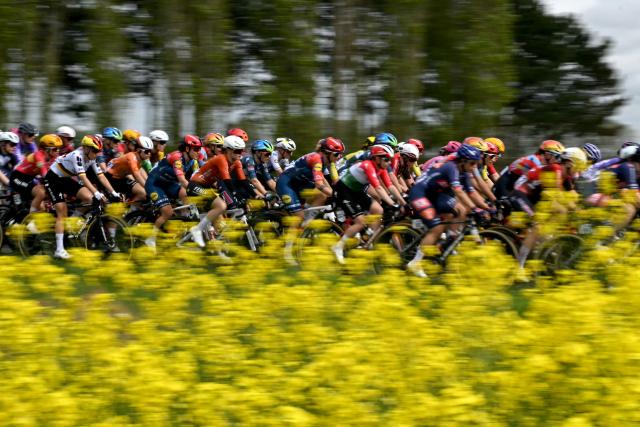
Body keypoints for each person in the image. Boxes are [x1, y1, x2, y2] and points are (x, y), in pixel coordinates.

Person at [405, 144, 489, 278]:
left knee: (460, 210)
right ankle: (415, 263)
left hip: (435, 195)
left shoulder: (464, 171)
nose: (474, 167)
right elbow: (459, 192)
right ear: (463, 161)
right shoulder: (451, 167)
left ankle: (449, 241)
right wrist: (475, 209)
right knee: (437, 228)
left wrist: (488, 207)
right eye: (472, 163)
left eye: (476, 164)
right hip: (420, 193)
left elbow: (472, 193)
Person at [43, 135, 122, 259]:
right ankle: (59, 250)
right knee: (61, 211)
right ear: (86, 148)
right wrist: (97, 192)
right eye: (95, 151)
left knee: (89, 198)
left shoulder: (92, 157)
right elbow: (83, 178)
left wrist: (113, 192)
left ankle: (71, 223)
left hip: (65, 179)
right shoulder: (77, 155)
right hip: (53, 179)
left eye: (98, 151)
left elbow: (101, 176)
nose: (97, 154)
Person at [512, 148, 586, 268]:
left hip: (534, 198)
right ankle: (518, 266)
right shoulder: (555, 168)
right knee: (538, 227)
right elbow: (555, 195)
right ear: (568, 163)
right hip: (521, 195)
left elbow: (573, 199)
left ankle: (540, 246)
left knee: (561, 213)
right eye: (578, 167)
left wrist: (582, 212)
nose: (579, 171)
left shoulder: (566, 177)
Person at [331, 144, 399, 264]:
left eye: (391, 160)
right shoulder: (368, 165)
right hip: (343, 190)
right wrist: (393, 204)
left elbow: (390, 186)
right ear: (377, 158)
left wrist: (402, 202)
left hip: (356, 191)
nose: (389, 162)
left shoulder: (381, 169)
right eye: (386, 159)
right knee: (361, 221)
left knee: (379, 210)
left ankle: (368, 241)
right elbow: (378, 188)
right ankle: (338, 247)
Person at [188, 135, 254, 248]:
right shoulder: (221, 159)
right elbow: (227, 180)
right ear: (228, 150)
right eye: (237, 151)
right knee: (221, 206)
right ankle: (197, 230)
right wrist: (235, 196)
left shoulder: (237, 162)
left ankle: (217, 247)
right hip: (195, 185)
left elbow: (244, 181)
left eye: (242, 151)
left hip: (208, 187)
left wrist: (256, 195)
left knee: (221, 222)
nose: (240, 154)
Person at [143, 135, 203, 248]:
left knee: (185, 195)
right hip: (155, 184)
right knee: (167, 212)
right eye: (196, 149)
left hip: (168, 183)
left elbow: (196, 179)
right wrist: (200, 192)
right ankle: (150, 239)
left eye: (200, 149)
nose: (198, 152)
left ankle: (184, 223)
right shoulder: (177, 158)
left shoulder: (192, 161)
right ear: (187, 149)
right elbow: (182, 181)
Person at [276, 137, 345, 217]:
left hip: (299, 184)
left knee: (322, 196)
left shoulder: (324, 162)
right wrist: (336, 195)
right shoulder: (317, 159)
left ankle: (307, 221)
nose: (340, 157)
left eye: (341, 154)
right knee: (300, 218)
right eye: (337, 154)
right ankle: (302, 222)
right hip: (286, 184)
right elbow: (319, 185)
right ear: (327, 153)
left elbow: (323, 180)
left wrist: (335, 194)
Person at [493, 140, 565, 200]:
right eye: (557, 157)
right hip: (505, 185)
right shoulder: (535, 162)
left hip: (513, 182)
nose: (558, 161)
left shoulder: (538, 159)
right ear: (547, 154)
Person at [11, 134, 62, 213]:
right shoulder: (38, 155)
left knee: (42, 208)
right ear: (47, 149)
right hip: (17, 178)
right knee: (41, 192)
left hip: (29, 179)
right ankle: (31, 217)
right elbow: (44, 174)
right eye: (55, 149)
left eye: (59, 149)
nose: (58, 152)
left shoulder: (52, 158)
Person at [105, 135, 153, 202]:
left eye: (151, 151)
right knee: (143, 192)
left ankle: (132, 209)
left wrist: (151, 185)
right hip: (111, 178)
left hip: (121, 178)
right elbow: (137, 176)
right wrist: (150, 189)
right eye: (147, 151)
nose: (149, 154)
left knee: (144, 192)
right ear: (139, 150)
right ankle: (128, 210)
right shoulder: (132, 157)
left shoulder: (141, 159)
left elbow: (143, 174)